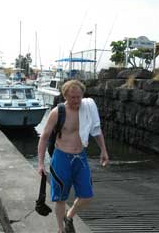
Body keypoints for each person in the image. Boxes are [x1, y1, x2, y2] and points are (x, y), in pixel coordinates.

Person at [37, 79, 109, 233]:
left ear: (83, 95)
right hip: (61, 157)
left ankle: (69, 216)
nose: (76, 100)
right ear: (65, 96)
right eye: (72, 97)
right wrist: (41, 163)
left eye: (78, 97)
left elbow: (96, 130)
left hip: (80, 157)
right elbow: (44, 137)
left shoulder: (87, 109)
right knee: (61, 198)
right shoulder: (58, 112)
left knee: (87, 195)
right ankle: (61, 229)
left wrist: (103, 150)